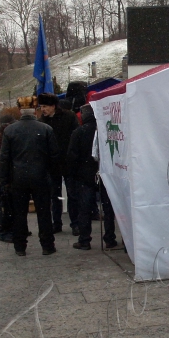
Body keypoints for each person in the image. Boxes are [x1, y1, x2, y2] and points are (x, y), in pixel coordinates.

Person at [0, 107, 59, 256]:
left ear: (20, 113)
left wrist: (4, 180)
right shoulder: (45, 129)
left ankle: (20, 246)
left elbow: (4, 158)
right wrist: (54, 176)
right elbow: (54, 156)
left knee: (19, 213)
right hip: (40, 176)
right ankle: (47, 245)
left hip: (18, 177)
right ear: (35, 113)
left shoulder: (10, 130)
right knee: (44, 212)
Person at [38, 93, 80, 236]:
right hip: (51, 164)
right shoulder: (42, 122)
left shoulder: (69, 117)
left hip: (69, 162)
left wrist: (73, 155)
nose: (42, 109)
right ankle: (57, 223)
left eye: (45, 106)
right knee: (54, 195)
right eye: (41, 106)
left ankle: (75, 223)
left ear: (53, 106)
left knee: (72, 194)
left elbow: (76, 136)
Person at [66, 104, 100, 251]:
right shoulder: (102, 131)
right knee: (109, 208)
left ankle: (84, 240)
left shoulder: (79, 132)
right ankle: (110, 238)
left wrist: (71, 175)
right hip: (102, 173)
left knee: (84, 209)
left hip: (84, 175)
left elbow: (72, 157)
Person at [0, 112, 16, 243]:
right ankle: (5, 231)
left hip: (6, 178)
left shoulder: (2, 137)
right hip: (3, 179)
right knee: (5, 206)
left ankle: (11, 229)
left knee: (9, 205)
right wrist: (4, 179)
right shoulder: (0, 139)